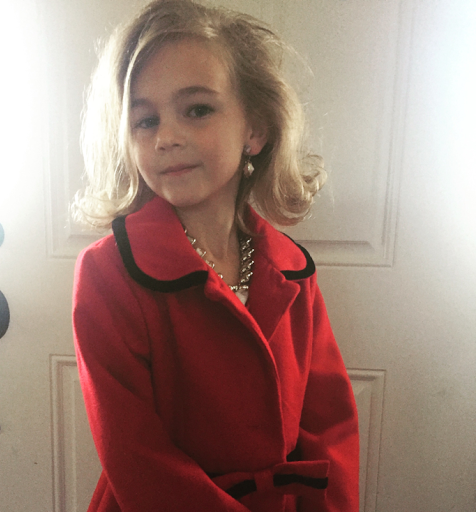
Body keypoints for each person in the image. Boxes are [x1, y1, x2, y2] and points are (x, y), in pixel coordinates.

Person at [72, 0, 359, 511]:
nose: (166, 138)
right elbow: (136, 455)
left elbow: (329, 427)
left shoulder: (292, 271)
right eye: (145, 120)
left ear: (255, 129)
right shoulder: (109, 273)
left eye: (197, 110)